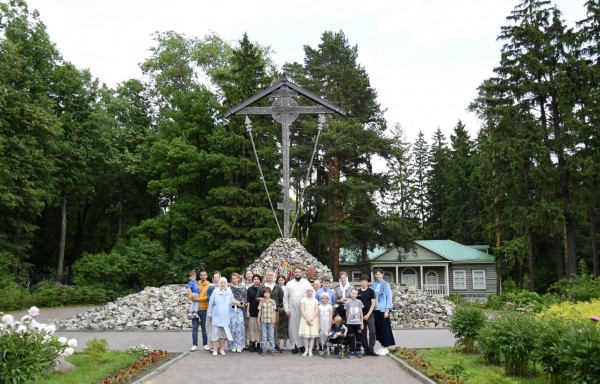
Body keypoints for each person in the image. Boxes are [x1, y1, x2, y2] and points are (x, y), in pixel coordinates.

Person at [208, 277, 241, 356]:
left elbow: (232, 301)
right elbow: (210, 303)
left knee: (223, 334)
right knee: (214, 333)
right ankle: (215, 349)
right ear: (219, 284)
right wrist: (210, 314)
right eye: (221, 283)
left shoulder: (229, 292)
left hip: (225, 316)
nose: (223, 284)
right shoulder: (215, 292)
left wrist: (239, 303)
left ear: (226, 284)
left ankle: (222, 349)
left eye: (224, 283)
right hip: (216, 316)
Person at [284, 267, 312, 354]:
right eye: (295, 272)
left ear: (302, 273)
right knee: (293, 326)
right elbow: (285, 298)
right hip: (292, 308)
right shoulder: (289, 284)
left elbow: (311, 295)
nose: (297, 273)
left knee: (303, 326)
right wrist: (286, 309)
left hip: (304, 309)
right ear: (293, 273)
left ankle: (303, 345)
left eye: (299, 272)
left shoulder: (307, 283)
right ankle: (294, 345)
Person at [256, 270, 284, 352]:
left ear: (274, 276)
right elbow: (257, 297)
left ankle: (275, 345)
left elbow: (281, 297)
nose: (270, 276)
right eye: (268, 275)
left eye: (271, 275)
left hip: (275, 311)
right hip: (264, 311)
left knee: (274, 328)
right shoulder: (262, 286)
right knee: (263, 330)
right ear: (265, 276)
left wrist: (280, 307)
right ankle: (263, 346)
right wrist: (260, 298)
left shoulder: (277, 286)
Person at [372, 269, 396, 355]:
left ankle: (386, 347)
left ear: (382, 275)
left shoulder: (386, 285)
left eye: (379, 274)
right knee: (379, 328)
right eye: (376, 274)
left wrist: (387, 310)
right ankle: (382, 345)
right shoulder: (374, 285)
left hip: (383, 310)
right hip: (376, 310)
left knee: (385, 328)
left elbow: (389, 297)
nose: (378, 275)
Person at [190, 270, 211, 351]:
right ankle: (194, 344)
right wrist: (191, 297)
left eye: (204, 275)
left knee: (204, 328)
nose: (203, 276)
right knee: (194, 327)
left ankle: (205, 344)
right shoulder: (195, 283)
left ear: (207, 276)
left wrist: (199, 299)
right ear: (200, 276)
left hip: (204, 309)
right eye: (201, 275)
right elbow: (189, 292)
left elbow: (208, 297)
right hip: (195, 310)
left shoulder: (209, 285)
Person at [357, 274, 377, 356]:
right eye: (362, 281)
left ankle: (371, 349)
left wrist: (368, 315)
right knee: (363, 332)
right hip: (360, 315)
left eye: (365, 281)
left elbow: (373, 304)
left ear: (368, 282)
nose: (363, 282)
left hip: (370, 314)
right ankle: (366, 349)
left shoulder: (371, 291)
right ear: (360, 282)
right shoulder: (358, 292)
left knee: (372, 332)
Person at [228, 273, 247, 353]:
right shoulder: (229, 288)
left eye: (236, 278)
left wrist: (241, 303)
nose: (235, 280)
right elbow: (228, 299)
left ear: (239, 279)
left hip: (240, 310)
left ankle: (239, 345)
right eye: (233, 278)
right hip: (232, 310)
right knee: (232, 328)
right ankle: (233, 345)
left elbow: (245, 299)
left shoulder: (243, 288)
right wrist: (235, 302)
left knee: (239, 328)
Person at [298, 287, 319, 357]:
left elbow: (316, 310)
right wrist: (307, 319)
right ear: (306, 292)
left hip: (313, 319)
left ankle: (310, 350)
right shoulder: (303, 300)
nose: (310, 293)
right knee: (306, 336)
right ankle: (306, 350)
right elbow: (302, 310)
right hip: (305, 319)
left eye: (311, 291)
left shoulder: (315, 300)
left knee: (312, 336)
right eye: (308, 291)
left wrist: (311, 319)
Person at [344, 288, 364, 358]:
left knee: (359, 337)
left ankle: (358, 350)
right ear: (350, 293)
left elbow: (361, 313)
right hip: (350, 323)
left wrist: (362, 323)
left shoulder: (359, 302)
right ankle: (352, 350)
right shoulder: (347, 303)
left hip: (358, 323)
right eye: (353, 293)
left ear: (357, 295)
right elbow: (346, 313)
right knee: (351, 337)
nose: (354, 295)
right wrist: (347, 322)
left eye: (356, 294)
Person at [257, 287, 277, 356]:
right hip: (263, 321)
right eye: (265, 293)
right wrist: (258, 320)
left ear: (270, 294)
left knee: (271, 336)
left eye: (267, 293)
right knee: (264, 336)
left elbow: (274, 312)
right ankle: (264, 349)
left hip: (271, 321)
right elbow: (259, 311)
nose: (266, 294)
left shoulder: (273, 301)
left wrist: (274, 320)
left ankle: (272, 349)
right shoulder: (261, 301)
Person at [205, 271, 221, 351]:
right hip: (212, 310)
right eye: (214, 277)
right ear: (212, 278)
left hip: (221, 311)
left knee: (219, 328)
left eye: (217, 277)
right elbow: (208, 298)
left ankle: (218, 346)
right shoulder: (211, 287)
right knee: (211, 327)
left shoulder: (223, 287)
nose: (216, 278)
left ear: (219, 278)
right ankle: (212, 346)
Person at [246, 274, 262, 352]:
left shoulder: (262, 289)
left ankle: (259, 345)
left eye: (257, 279)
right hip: (252, 311)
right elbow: (248, 301)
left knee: (259, 329)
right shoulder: (249, 289)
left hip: (260, 312)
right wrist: (247, 311)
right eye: (254, 279)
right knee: (252, 328)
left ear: (260, 280)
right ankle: (252, 344)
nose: (256, 280)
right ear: (253, 280)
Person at [275, 275, 289, 351]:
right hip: (277, 307)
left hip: (285, 307)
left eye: (282, 280)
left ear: (284, 281)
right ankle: (277, 343)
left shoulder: (287, 288)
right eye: (279, 280)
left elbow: (288, 298)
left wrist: (285, 308)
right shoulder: (275, 287)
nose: (280, 281)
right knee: (278, 325)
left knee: (285, 325)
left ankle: (285, 343)